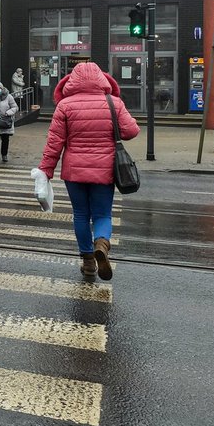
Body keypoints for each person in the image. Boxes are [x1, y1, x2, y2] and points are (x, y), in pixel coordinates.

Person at [39, 62, 139, 280]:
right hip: (104, 170)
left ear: (71, 81)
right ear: (102, 79)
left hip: (74, 172)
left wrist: (46, 171)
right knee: (102, 213)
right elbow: (132, 131)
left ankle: (88, 263)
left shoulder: (64, 106)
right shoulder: (114, 103)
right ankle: (101, 243)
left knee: (81, 214)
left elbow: (54, 143)